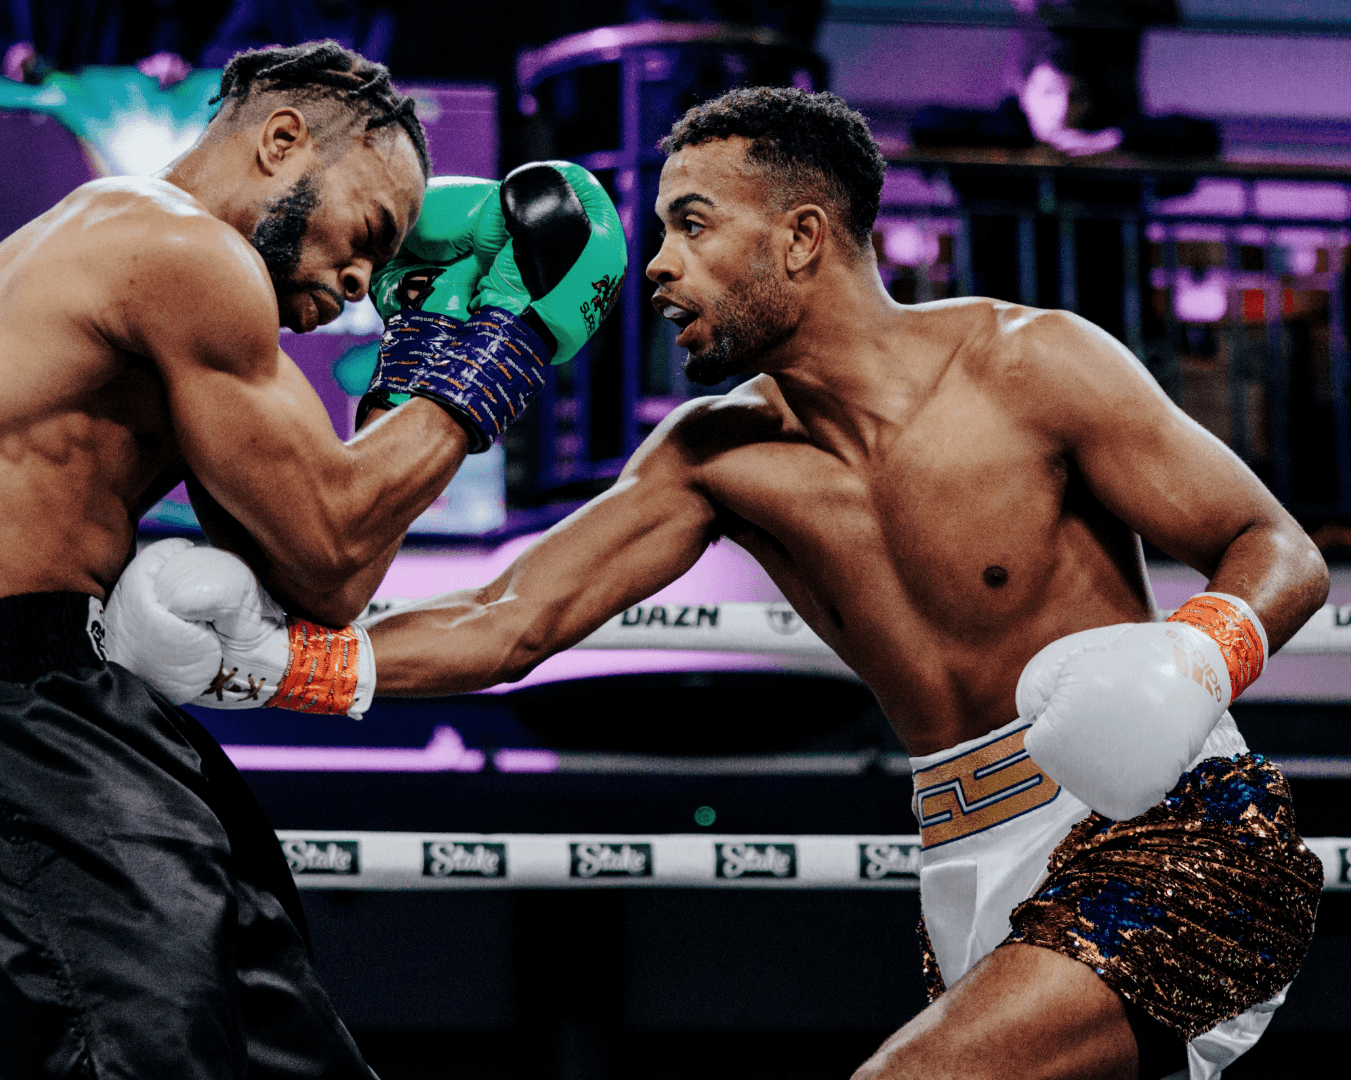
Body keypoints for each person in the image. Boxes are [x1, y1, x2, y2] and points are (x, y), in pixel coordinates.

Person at [104, 86, 1328, 1080]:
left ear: (802, 236)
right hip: (969, 870)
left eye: (692, 225)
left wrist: (1194, 653)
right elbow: (509, 619)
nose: (655, 267)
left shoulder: (1033, 363)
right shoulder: (711, 455)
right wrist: (269, 669)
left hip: (1171, 834)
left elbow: (1274, 545)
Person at [0, 37, 624, 1078]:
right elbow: (334, 539)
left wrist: (415, 367)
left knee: (284, 1057)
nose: (362, 281)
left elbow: (328, 583)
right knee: (154, 1057)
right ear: (283, 139)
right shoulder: (179, 251)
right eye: (369, 233)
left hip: (57, 705)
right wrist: (502, 344)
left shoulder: (141, 266)